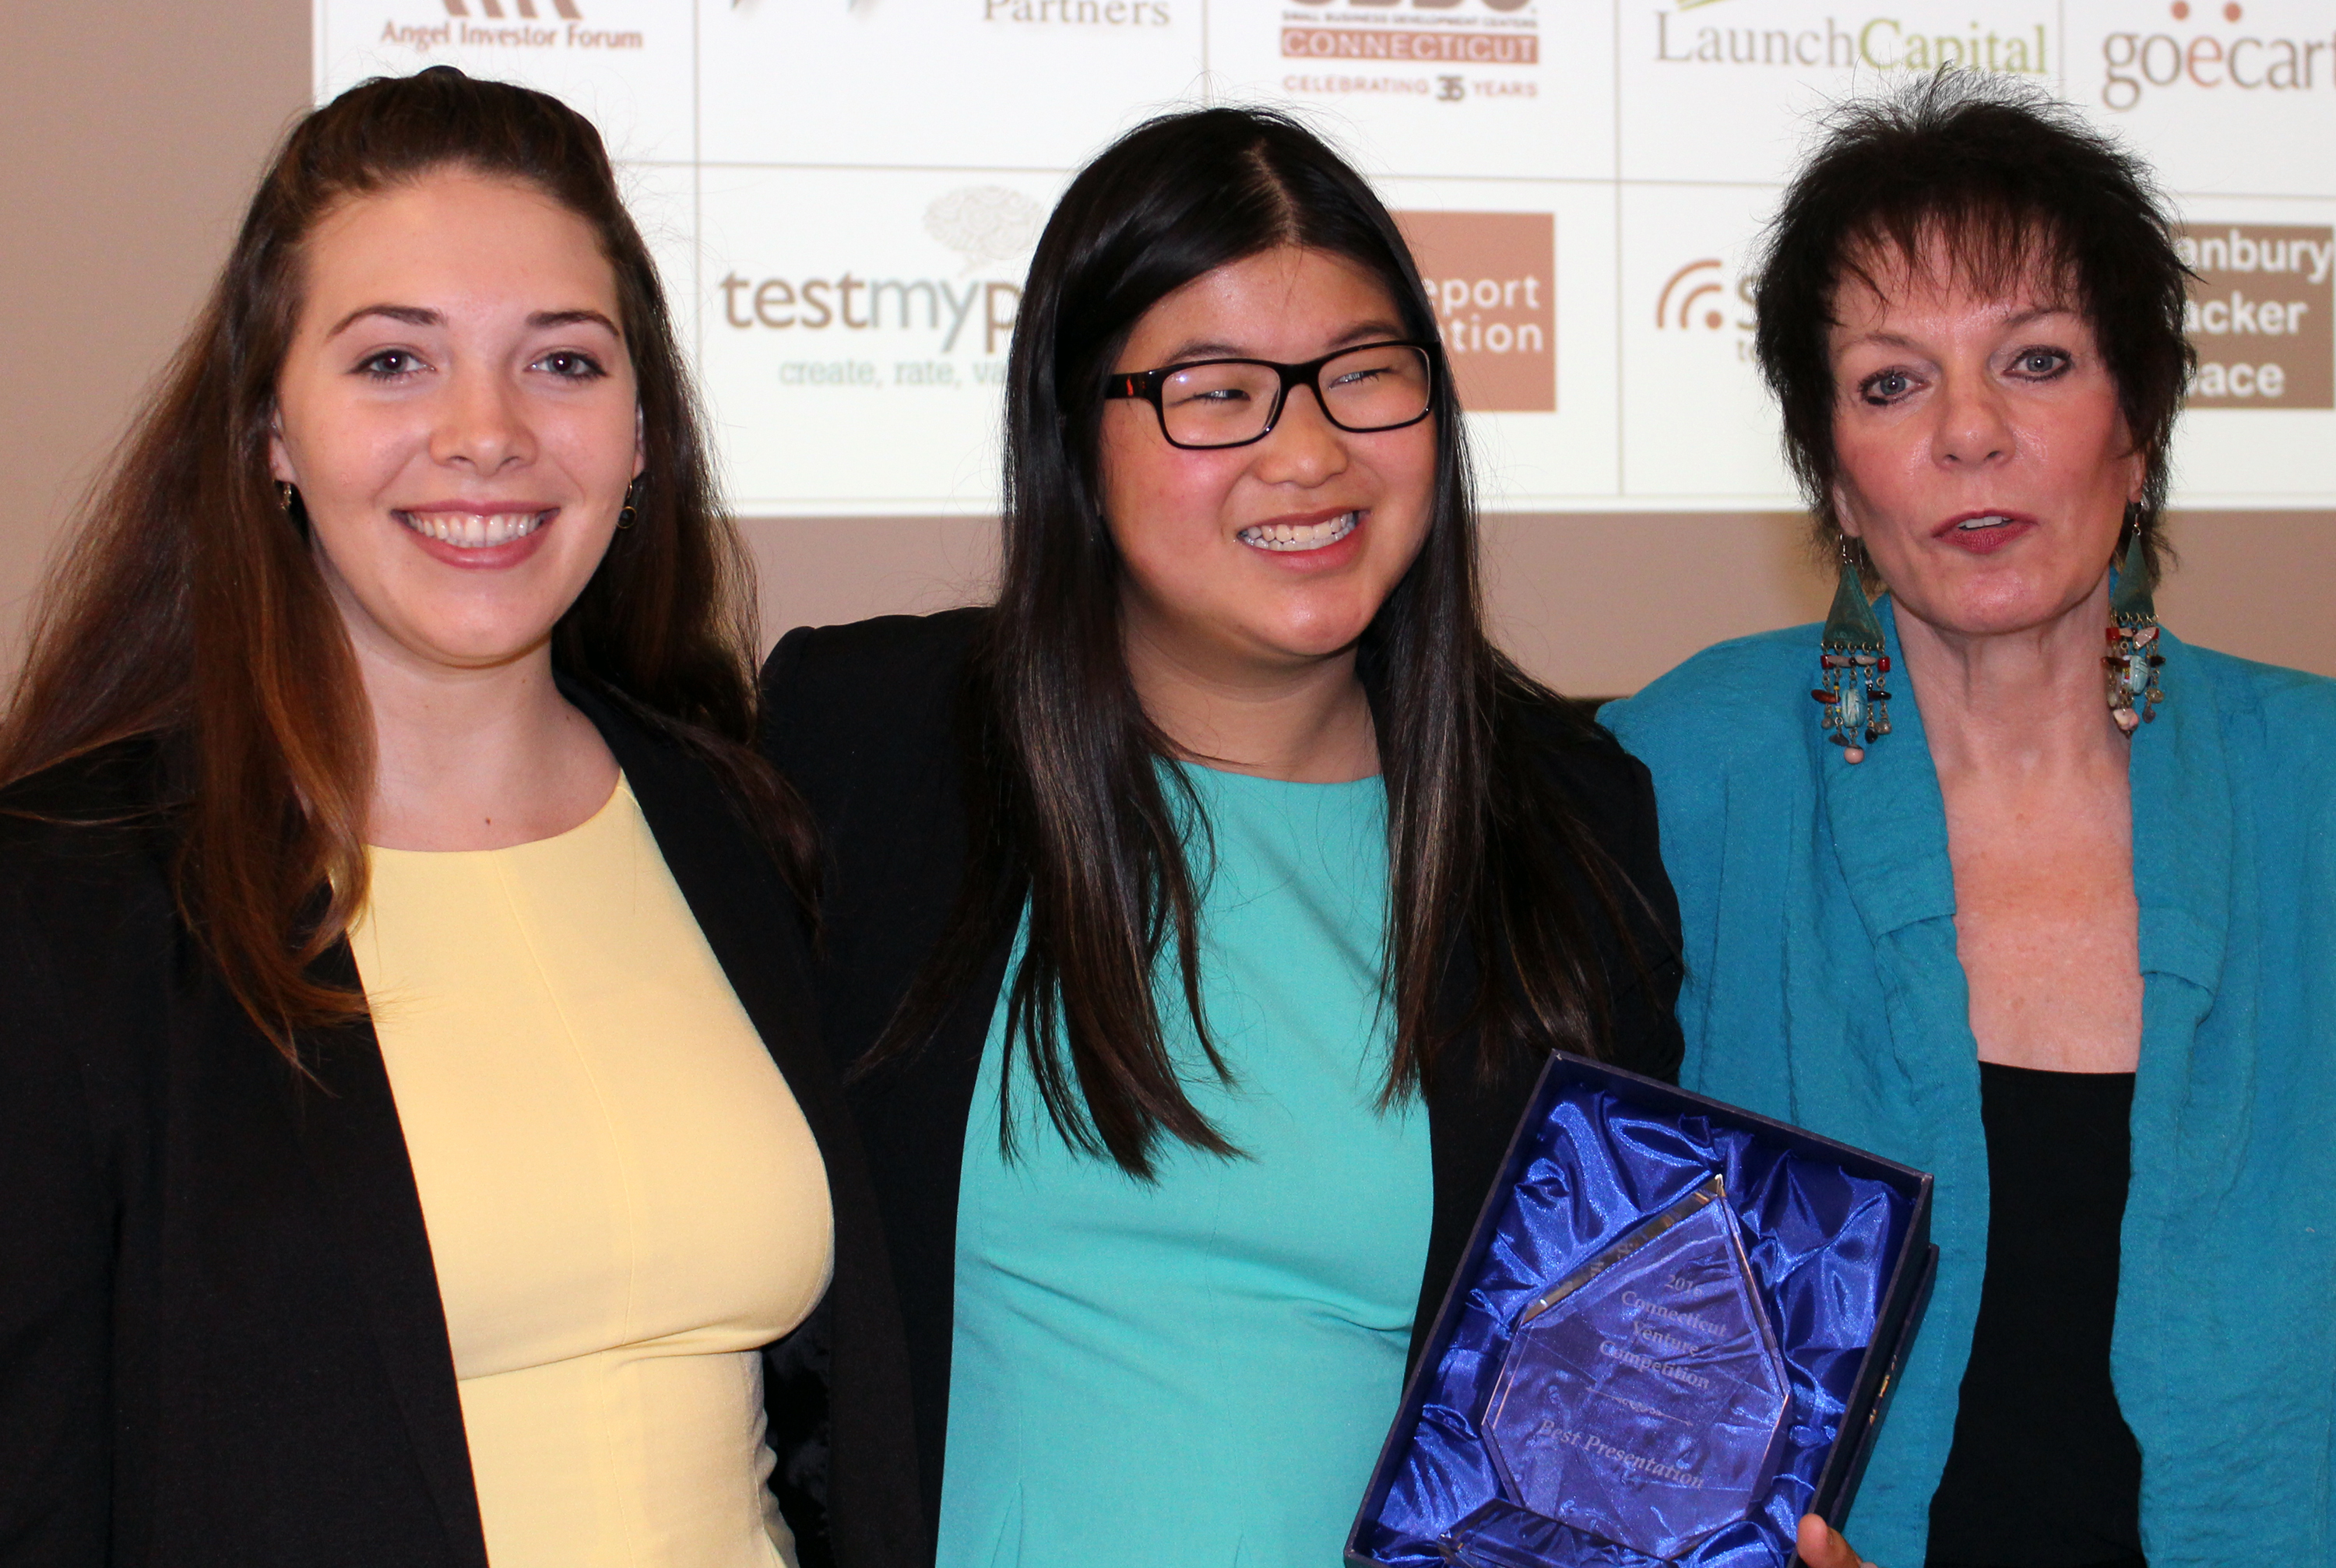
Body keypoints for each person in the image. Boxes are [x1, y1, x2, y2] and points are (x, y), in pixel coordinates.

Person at [0, 67, 914, 1568]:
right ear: (269, 432)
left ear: (640, 436)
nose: (487, 434)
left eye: (562, 363)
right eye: (392, 364)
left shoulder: (734, 820)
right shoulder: (70, 902)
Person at [758, 107, 1685, 1566]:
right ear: (1077, 425)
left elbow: (1606, 1406)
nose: (1308, 452)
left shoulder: (1571, 823)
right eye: (1216, 390)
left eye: (1366, 378)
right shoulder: (871, 744)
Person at [1602, 75, 2336, 1568]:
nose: (1971, 435)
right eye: (1891, 383)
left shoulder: (2312, 785)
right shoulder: (1681, 776)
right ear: (1829, 471)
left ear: (2141, 429)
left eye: (2040, 361)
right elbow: (1581, 1342)